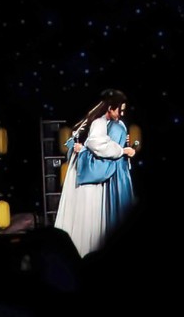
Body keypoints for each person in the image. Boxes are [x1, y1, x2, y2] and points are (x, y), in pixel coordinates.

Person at [54, 88, 137, 258]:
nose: (121, 114)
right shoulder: (99, 122)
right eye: (119, 110)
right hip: (89, 174)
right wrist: (122, 150)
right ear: (110, 108)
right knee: (89, 214)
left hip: (85, 170)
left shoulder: (96, 122)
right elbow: (97, 144)